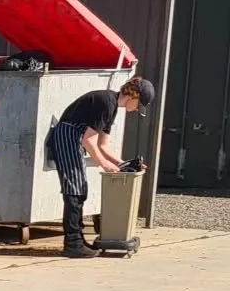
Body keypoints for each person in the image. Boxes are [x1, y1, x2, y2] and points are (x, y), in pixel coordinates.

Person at [47, 76, 155, 258]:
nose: (137, 109)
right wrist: (104, 164)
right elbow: (88, 140)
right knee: (74, 190)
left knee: (80, 189)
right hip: (67, 136)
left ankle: (77, 240)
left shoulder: (111, 107)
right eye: (138, 104)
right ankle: (72, 243)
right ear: (133, 95)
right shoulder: (106, 102)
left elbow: (103, 145)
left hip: (75, 139)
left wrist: (124, 165)